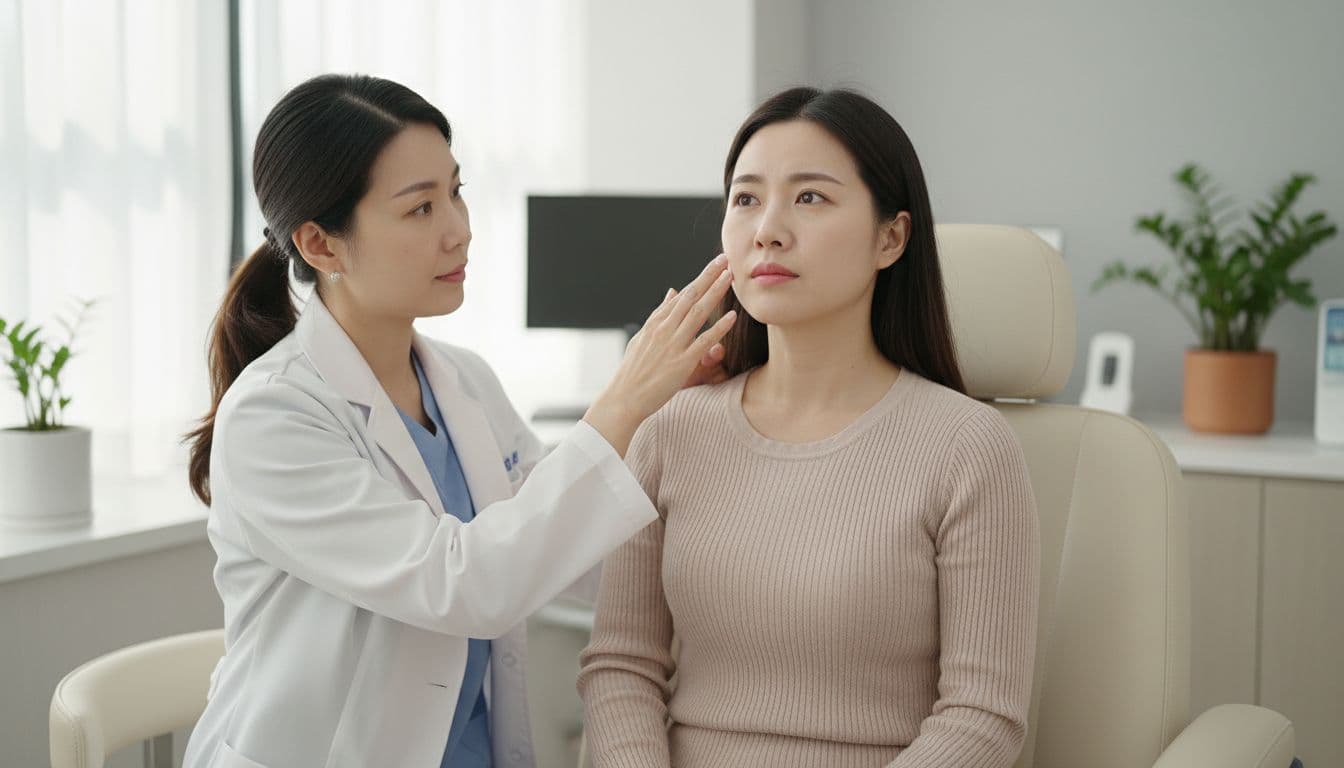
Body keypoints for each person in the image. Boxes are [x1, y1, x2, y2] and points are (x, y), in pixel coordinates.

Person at [180, 73, 736, 768]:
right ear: (321, 246)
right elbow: (466, 586)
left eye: (456, 191)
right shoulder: (273, 417)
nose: (459, 230)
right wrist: (622, 402)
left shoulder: (463, 380)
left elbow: (569, 552)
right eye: (419, 209)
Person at [577, 87, 1040, 768]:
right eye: (746, 198)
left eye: (810, 197)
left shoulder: (966, 447)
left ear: (892, 237)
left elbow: (981, 718)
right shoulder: (669, 430)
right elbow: (620, 666)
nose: (767, 228)